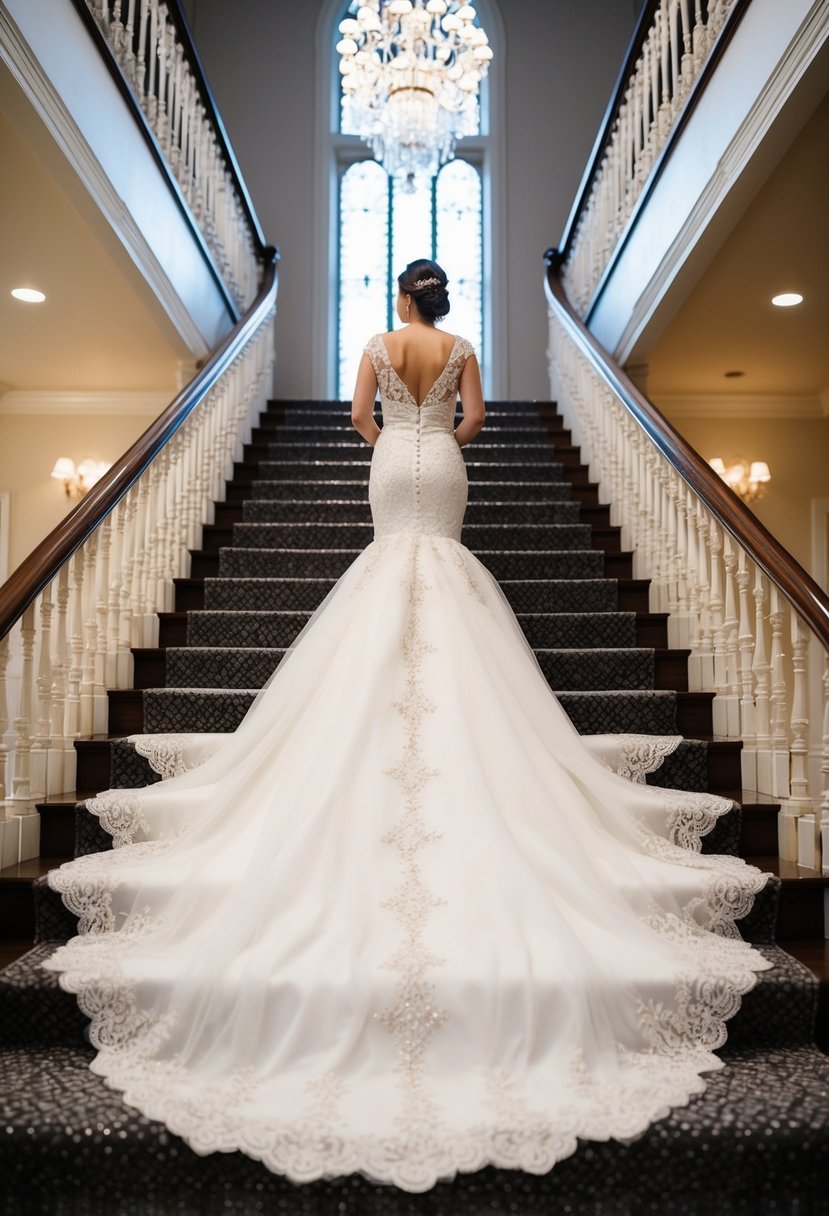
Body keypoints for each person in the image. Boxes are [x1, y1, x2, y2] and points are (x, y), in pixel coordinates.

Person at [44, 258, 772, 1194]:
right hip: (443, 469)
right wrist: (437, 427)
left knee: (392, 567)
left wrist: (394, 425)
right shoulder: (461, 348)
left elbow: (357, 419)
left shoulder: (379, 347)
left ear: (400, 299)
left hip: (395, 465)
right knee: (442, 570)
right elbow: (473, 422)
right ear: (446, 304)